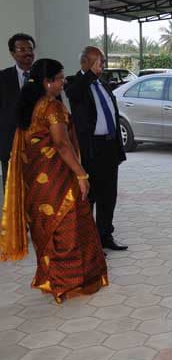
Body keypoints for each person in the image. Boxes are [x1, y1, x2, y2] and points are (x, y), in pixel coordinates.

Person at [0, 59, 108, 302]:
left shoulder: (30, 106)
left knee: (45, 228)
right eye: (59, 78)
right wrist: (81, 174)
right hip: (58, 179)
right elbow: (61, 143)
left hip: (36, 184)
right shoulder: (51, 107)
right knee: (70, 225)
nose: (63, 82)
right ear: (48, 82)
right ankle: (70, 282)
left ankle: (52, 278)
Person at [64, 47, 127, 251]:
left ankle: (105, 235)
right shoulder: (74, 83)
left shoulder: (103, 83)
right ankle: (89, 242)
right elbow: (74, 94)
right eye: (98, 61)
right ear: (85, 62)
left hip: (109, 147)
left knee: (109, 195)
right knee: (89, 196)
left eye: (103, 60)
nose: (103, 64)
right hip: (91, 149)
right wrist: (89, 73)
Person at [1, 33, 36, 189]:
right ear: (12, 53)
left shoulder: (45, 76)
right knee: (13, 192)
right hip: (11, 147)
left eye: (30, 48)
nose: (27, 52)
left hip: (40, 148)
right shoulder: (3, 78)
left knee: (40, 196)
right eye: (22, 49)